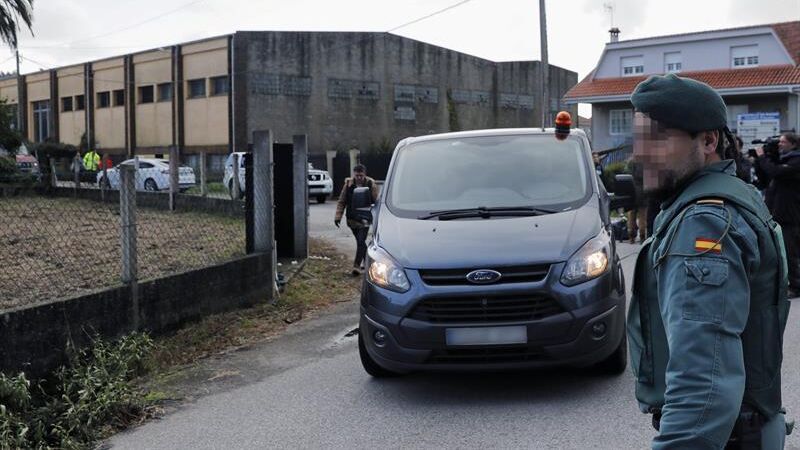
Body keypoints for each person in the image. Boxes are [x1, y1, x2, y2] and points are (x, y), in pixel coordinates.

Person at [626, 74, 790, 449]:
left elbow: (704, 380)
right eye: (639, 138)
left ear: (708, 141)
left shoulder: (703, 222)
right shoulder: (734, 194)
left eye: (658, 137)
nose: (640, 153)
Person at [755, 132, 800, 297]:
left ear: (793, 144)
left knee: (789, 251)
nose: (779, 144)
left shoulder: (796, 161)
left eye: (783, 142)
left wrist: (762, 157)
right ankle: (781, 283)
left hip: (789, 214)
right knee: (775, 251)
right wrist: (762, 160)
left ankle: (796, 286)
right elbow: (765, 177)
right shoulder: (782, 160)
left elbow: (775, 172)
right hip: (776, 211)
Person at [334, 164, 379, 276]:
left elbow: (376, 201)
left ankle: (356, 266)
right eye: (357, 175)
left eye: (361, 175)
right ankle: (369, 264)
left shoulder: (370, 184)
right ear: (354, 174)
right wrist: (338, 217)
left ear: (365, 175)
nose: (359, 177)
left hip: (365, 218)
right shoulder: (348, 185)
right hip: (352, 219)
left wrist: (377, 216)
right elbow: (342, 201)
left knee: (360, 241)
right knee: (361, 243)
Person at [625, 159, 648, 243]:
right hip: (643, 192)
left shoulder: (631, 162)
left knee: (631, 215)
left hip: (632, 191)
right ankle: (642, 235)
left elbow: (626, 174)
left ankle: (631, 236)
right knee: (642, 216)